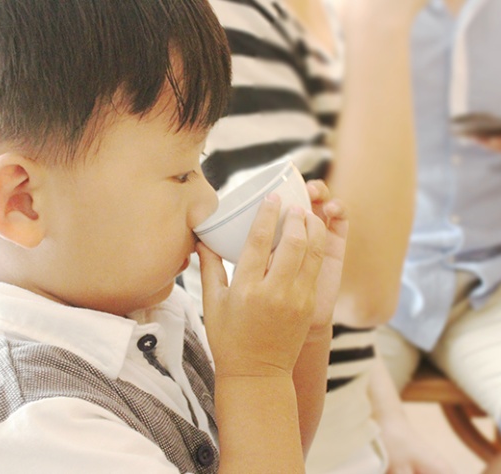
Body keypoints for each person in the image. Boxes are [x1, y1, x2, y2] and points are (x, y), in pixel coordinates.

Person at [0, 1, 349, 472]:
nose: (207, 204)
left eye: (198, 163)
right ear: (23, 202)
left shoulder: (132, 303)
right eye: (180, 173)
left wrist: (302, 332)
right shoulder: (28, 427)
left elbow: (271, 452)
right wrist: (255, 373)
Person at [181, 0, 452, 472]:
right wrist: (381, 25)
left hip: (337, 419)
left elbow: (321, 289)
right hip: (264, 434)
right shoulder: (223, 25)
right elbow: (359, 294)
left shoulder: (313, 18)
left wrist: (388, 418)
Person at [375, 0, 501, 470]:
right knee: (335, 438)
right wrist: (390, 425)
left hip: (488, 289)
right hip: (376, 295)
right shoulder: (347, 19)